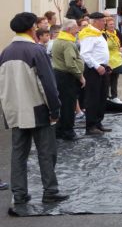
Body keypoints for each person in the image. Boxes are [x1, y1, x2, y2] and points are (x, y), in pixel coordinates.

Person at [0, 12, 68, 204]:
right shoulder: (36, 51)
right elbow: (48, 85)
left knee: (18, 154)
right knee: (46, 152)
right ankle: (50, 191)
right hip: (38, 109)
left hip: (14, 111)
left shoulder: (5, 52)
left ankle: (19, 194)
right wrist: (55, 110)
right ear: (32, 28)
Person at [52, 18, 85, 140]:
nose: (78, 29)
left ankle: (59, 130)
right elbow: (70, 64)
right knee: (69, 105)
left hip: (59, 75)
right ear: (69, 29)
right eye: (76, 27)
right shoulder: (67, 43)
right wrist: (80, 76)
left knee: (62, 104)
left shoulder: (58, 40)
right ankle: (68, 132)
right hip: (66, 77)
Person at [79, 12, 111, 136]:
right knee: (93, 98)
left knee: (102, 97)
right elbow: (85, 54)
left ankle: (98, 122)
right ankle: (91, 126)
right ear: (96, 21)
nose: (105, 23)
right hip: (94, 70)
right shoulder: (89, 34)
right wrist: (97, 66)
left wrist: (106, 65)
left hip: (103, 68)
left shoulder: (98, 34)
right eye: (103, 21)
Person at [104, 17, 122, 104]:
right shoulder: (104, 34)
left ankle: (114, 96)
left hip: (117, 60)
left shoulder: (117, 32)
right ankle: (105, 96)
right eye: (110, 24)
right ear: (106, 26)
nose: (112, 26)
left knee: (114, 79)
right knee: (106, 80)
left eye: (113, 24)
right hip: (108, 60)